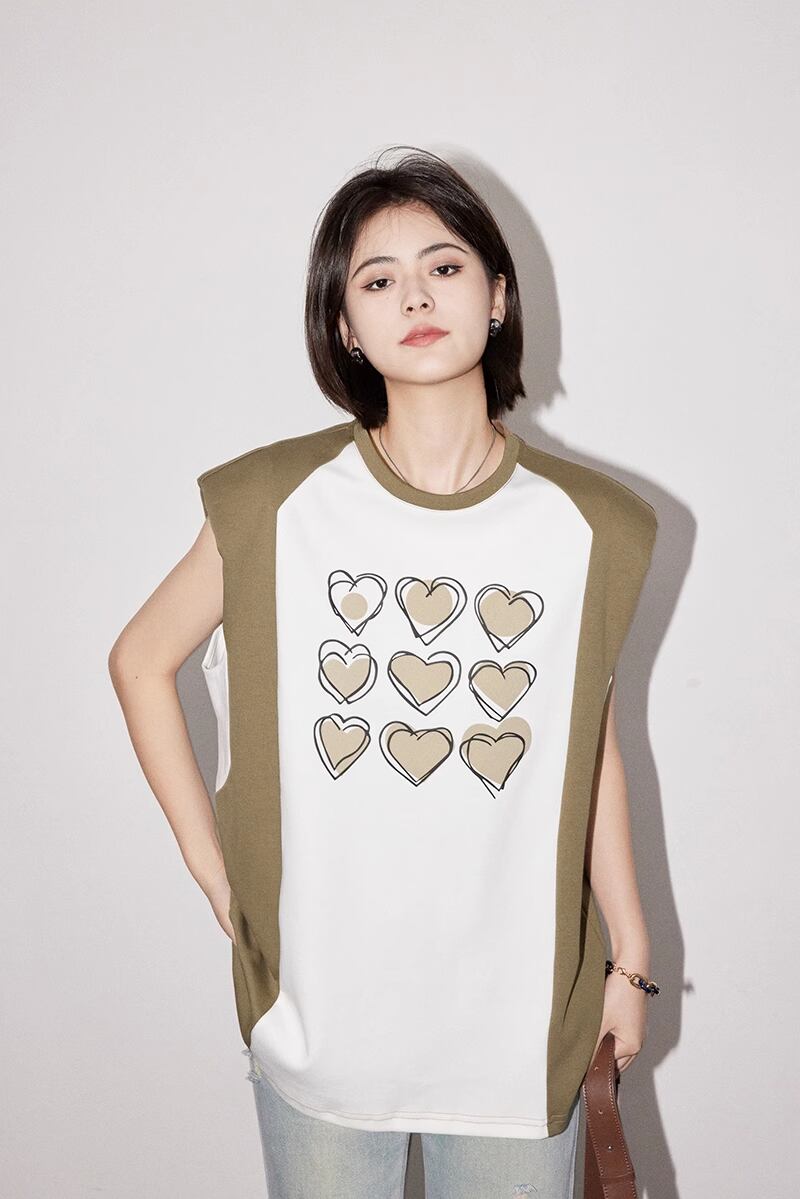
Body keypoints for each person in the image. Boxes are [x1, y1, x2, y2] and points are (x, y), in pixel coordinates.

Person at [108, 146, 660, 1199]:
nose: (414, 296)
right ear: (344, 325)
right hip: (325, 1022)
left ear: (496, 296)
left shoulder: (595, 525)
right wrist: (217, 874)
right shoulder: (273, 500)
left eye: (443, 267)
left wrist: (628, 958)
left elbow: (585, 743)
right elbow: (139, 660)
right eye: (376, 278)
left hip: (515, 1027)